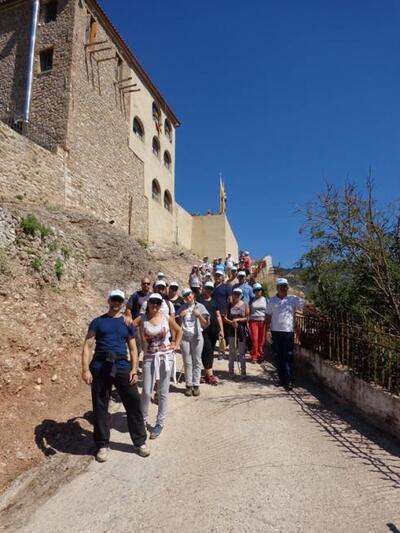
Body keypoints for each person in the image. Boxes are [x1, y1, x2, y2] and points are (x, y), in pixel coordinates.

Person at [81, 289, 149, 462]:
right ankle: (102, 444)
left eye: (119, 300)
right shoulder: (97, 322)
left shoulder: (127, 323)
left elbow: (133, 349)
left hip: (121, 365)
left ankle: (140, 442)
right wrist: (85, 369)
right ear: (108, 300)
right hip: (100, 365)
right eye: (113, 299)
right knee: (100, 405)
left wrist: (134, 369)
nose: (116, 303)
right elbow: (88, 345)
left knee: (133, 402)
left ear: (122, 303)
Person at [139, 293, 182, 439]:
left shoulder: (165, 317)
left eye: (158, 302)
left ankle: (159, 423)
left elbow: (179, 330)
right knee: (146, 391)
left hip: (165, 358)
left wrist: (176, 344)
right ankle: (142, 419)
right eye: (152, 302)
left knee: (163, 392)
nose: (155, 305)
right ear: (148, 303)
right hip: (149, 357)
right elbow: (130, 323)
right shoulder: (143, 319)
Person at [266, 278, 304, 390]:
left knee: (288, 356)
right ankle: (282, 379)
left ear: (287, 287)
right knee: (278, 357)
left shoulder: (293, 299)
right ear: (277, 288)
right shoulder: (272, 301)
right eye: (281, 286)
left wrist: (315, 313)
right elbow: (268, 315)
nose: (283, 288)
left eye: (285, 286)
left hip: (288, 332)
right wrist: (267, 330)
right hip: (275, 332)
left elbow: (305, 307)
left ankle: (290, 380)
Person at [177, 288, 210, 396]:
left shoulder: (200, 307)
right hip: (185, 337)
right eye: (185, 295)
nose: (188, 297)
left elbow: (205, 324)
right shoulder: (182, 308)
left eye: (189, 294)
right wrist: (180, 317)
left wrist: (199, 315)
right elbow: (177, 325)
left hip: (197, 337)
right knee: (187, 362)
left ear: (193, 295)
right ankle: (188, 385)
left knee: (197, 361)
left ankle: (196, 385)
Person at [198, 281, 224, 385]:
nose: (209, 290)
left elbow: (218, 316)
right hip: (203, 329)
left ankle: (207, 374)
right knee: (207, 350)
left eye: (211, 288)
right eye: (207, 288)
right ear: (204, 288)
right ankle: (210, 375)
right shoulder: (199, 300)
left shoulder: (214, 301)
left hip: (213, 329)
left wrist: (221, 330)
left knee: (210, 351)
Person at [223, 288, 249, 378]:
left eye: (238, 294)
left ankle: (243, 372)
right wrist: (231, 322)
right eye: (235, 294)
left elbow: (247, 317)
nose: (236, 295)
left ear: (241, 295)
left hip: (241, 329)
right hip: (231, 329)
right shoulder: (229, 305)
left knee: (241, 352)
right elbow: (225, 317)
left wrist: (237, 320)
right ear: (232, 294)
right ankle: (231, 371)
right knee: (232, 351)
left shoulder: (245, 304)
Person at [249, 282, 267, 363]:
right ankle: (254, 356)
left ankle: (260, 355)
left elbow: (269, 312)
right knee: (255, 339)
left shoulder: (266, 300)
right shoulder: (252, 300)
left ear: (261, 290)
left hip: (263, 321)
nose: (257, 291)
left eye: (259, 290)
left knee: (261, 340)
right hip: (253, 321)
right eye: (255, 290)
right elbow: (249, 310)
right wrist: (248, 320)